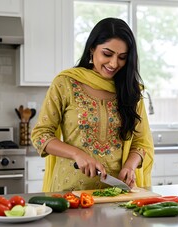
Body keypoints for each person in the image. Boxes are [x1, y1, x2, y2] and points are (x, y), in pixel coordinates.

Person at [31, 17, 154, 192]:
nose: (113, 63)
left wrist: (129, 166)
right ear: (92, 49)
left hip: (117, 194)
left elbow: (141, 143)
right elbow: (40, 135)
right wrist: (76, 154)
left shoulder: (131, 91)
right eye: (107, 54)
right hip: (71, 194)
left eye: (122, 57)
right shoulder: (65, 83)